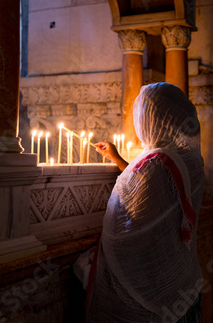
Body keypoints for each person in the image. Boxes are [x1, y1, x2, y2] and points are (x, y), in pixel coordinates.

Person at [87, 82, 205, 322]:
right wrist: (118, 158)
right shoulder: (189, 160)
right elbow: (158, 192)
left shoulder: (154, 163)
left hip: (151, 281)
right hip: (179, 274)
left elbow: (130, 224)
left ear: (152, 119)